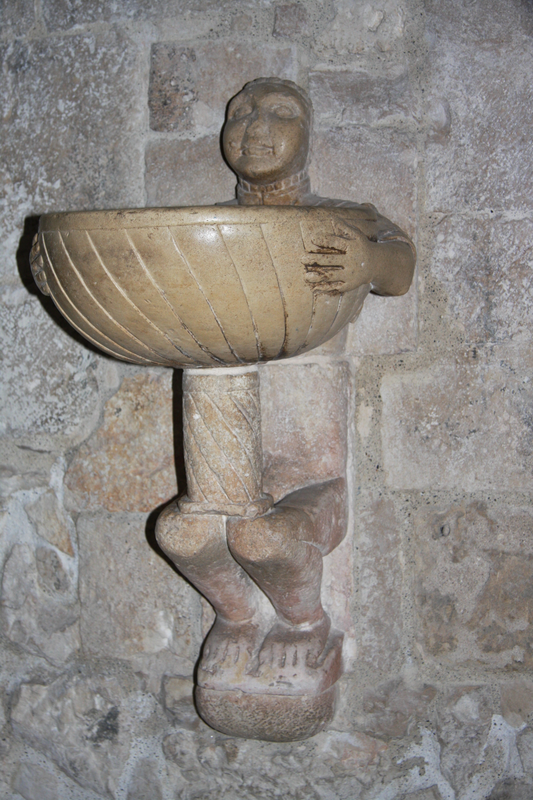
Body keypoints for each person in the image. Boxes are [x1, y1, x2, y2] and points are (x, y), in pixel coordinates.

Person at [157, 78, 415, 690]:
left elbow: (400, 263)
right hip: (223, 454)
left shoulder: (341, 222)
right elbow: (136, 267)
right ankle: (238, 615)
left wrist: (369, 261)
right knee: (180, 531)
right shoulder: (200, 229)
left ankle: (303, 621)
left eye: (280, 113)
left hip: (311, 469)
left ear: (308, 134)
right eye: (240, 113)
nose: (255, 127)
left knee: (264, 537)